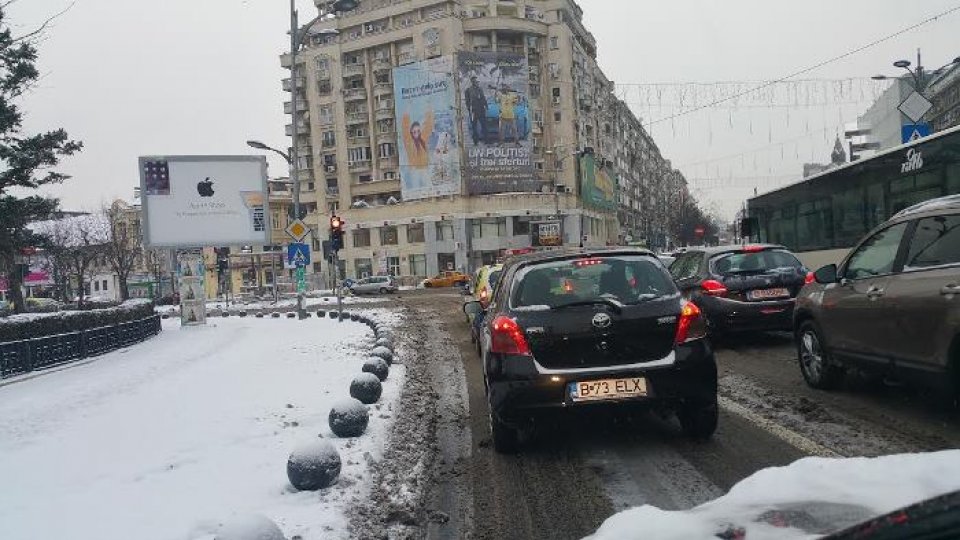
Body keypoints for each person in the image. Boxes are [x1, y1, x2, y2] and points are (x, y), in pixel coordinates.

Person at [464, 76, 488, 145]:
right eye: (474, 81)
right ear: (472, 82)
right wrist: (469, 109)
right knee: (474, 126)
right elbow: (467, 101)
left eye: (477, 81)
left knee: (484, 125)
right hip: (473, 110)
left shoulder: (480, 89)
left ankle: (486, 140)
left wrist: (486, 106)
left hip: (481, 109)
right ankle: (475, 141)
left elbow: (483, 98)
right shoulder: (468, 90)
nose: (476, 82)